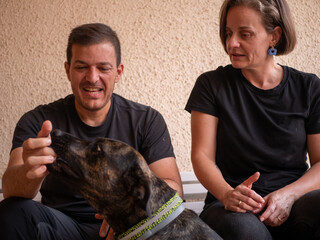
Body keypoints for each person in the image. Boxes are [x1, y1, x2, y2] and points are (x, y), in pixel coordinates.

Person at [0, 23, 183, 240]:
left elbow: (173, 190)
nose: (92, 77)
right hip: (61, 227)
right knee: (10, 212)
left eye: (103, 68)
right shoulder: (38, 121)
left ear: (118, 72)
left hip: (127, 232)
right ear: (68, 70)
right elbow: (11, 189)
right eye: (81, 67)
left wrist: (127, 211)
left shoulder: (146, 120)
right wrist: (29, 171)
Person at [185, 0, 320, 239]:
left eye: (245, 34)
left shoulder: (309, 88)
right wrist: (227, 195)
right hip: (230, 207)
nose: (231, 43)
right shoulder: (211, 85)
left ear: (274, 36)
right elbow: (201, 156)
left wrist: (288, 195)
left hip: (294, 201)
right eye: (228, 33)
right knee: (246, 231)